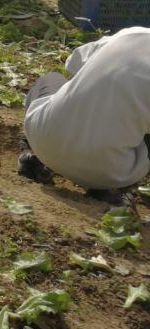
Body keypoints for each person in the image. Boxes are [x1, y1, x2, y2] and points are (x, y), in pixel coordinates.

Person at [17, 27, 150, 203]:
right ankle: (112, 189)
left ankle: (31, 155)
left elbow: (74, 63)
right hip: (112, 173)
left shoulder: (133, 34)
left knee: (51, 79)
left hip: (44, 141)